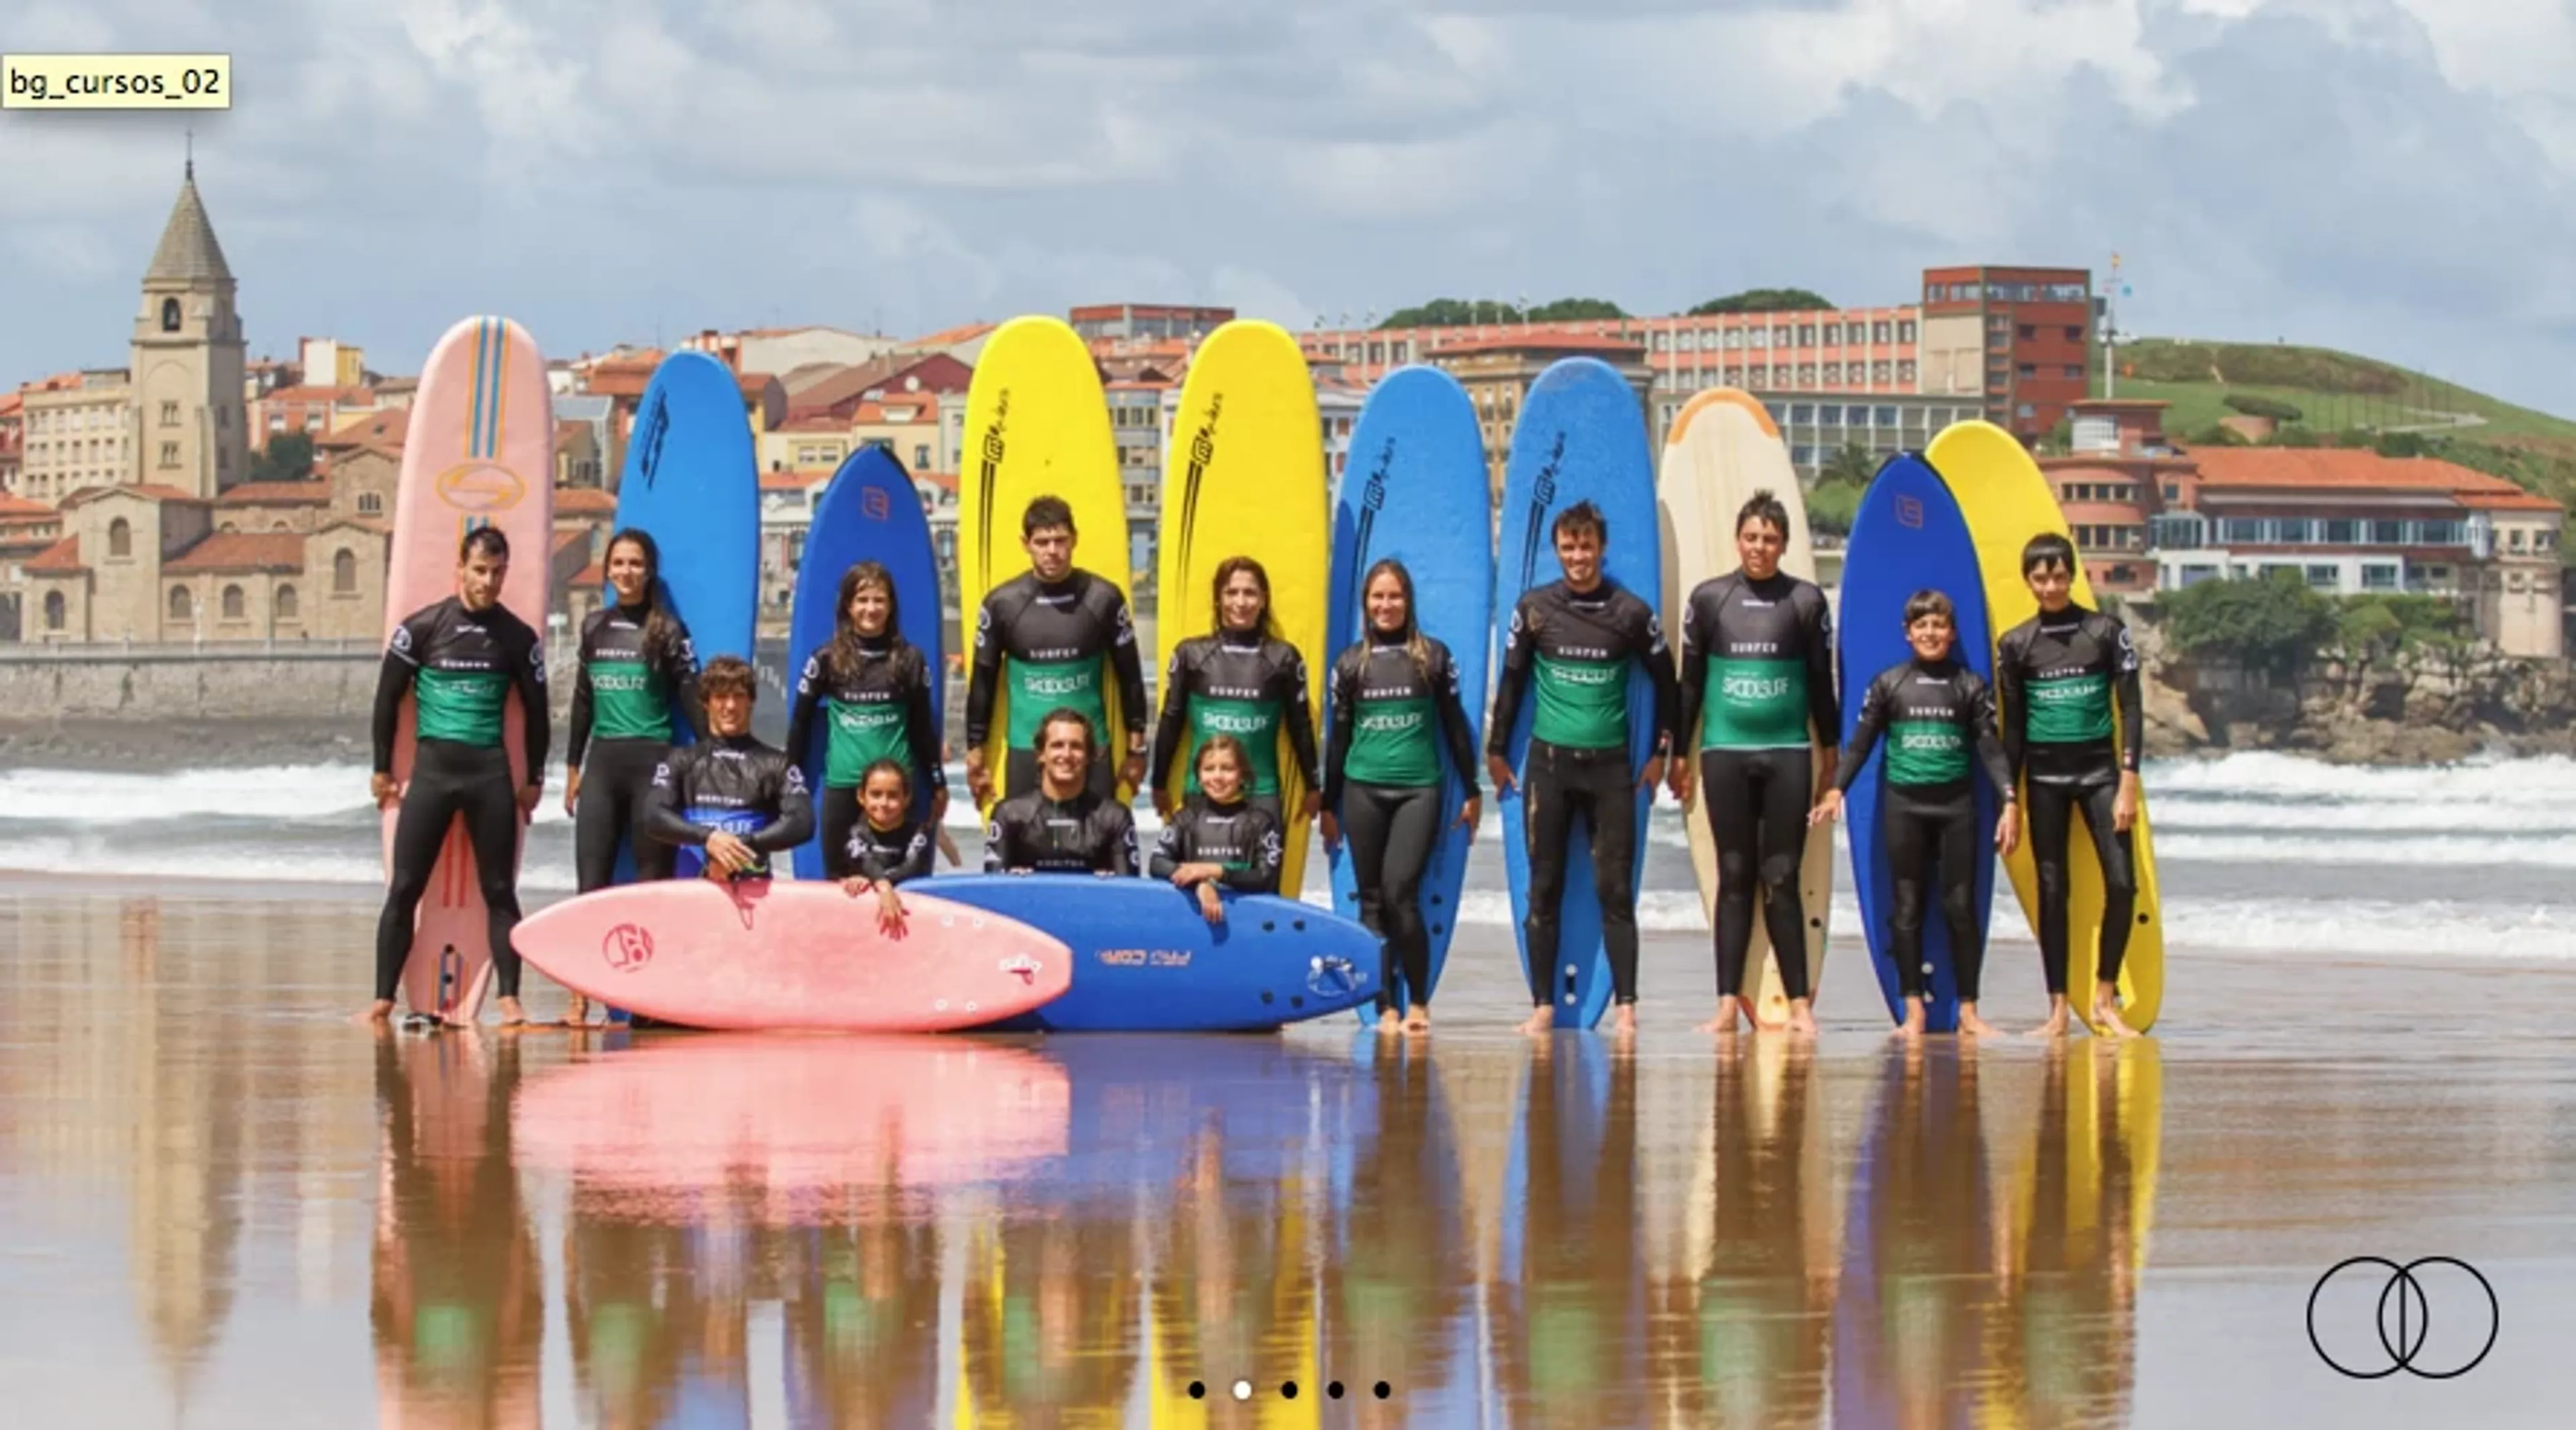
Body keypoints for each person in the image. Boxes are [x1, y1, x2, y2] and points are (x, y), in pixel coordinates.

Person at [1485, 501, 1678, 1037]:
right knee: (1543, 888)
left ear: (1602, 547)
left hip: (1611, 770)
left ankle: (1628, 1008)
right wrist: (1496, 751)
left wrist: (1662, 752)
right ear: (1557, 549)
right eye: (1568, 546)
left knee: (1614, 890)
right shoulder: (1536, 609)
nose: (1577, 556)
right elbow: (1512, 683)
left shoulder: (1630, 613)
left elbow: (1668, 684)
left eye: (1586, 545)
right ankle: (1543, 1005)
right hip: (1549, 767)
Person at [1812, 591, 2020, 1038]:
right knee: (1906, 907)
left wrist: (2010, 800)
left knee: (1961, 907)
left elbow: (1990, 747)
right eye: (1922, 626)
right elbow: (1861, 743)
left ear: (1953, 632)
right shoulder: (1889, 684)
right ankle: (1914, 1012)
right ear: (1908, 633)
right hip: (1904, 807)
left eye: (1939, 625)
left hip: (1957, 809)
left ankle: (1969, 1010)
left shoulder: (1970, 685)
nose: (1930, 633)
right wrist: (1835, 791)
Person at [1671, 489, 1839, 1039]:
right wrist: (1678, 753)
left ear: (1784, 544)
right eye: (1751, 537)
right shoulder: (1711, 599)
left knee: (1782, 877)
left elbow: (1820, 683)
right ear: (1738, 540)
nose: (1760, 547)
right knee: (1735, 877)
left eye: (1769, 538)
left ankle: (1800, 1006)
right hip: (1724, 752)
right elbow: (1690, 682)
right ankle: (1725, 1006)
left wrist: (1831, 754)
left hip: (1789, 752)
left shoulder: (1806, 601)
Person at [370, 526, 549, 1027]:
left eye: (497, 573)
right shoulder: (422, 628)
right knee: (405, 887)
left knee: (498, 888)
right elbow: (387, 699)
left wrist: (534, 776)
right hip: (431, 773)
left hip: (489, 773)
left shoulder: (517, 637)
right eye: (479, 571)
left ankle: (509, 998)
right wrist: (381, 767)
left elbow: (537, 712)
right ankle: (383, 998)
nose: (488, 582)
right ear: (460, 568)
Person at [1320, 558, 1481, 1034]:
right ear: (1365, 603)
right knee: (1371, 900)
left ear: (1407, 601)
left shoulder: (1431, 656)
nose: (1386, 605)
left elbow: (1455, 727)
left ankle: (1420, 1003)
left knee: (1400, 894)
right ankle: (1384, 1006)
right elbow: (1339, 740)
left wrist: (1472, 790)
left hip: (1418, 790)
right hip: (1362, 790)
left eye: (1394, 596)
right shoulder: (1350, 663)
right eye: (1377, 597)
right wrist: (1328, 804)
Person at [1994, 533, 2145, 1039]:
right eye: (2041, 577)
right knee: (2053, 891)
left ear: (2071, 574)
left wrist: (2128, 779)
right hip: (2044, 778)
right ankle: (2057, 1009)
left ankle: (2105, 996)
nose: (2051, 585)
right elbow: (2012, 729)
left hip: (2101, 773)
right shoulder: (2017, 644)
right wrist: (2009, 799)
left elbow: (2132, 708)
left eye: (2059, 575)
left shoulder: (2105, 631)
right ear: (2029, 581)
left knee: (2123, 882)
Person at [561, 527, 702, 1025]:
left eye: (636, 564)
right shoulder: (595, 627)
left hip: (654, 763)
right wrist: (573, 765)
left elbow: (691, 697)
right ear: (607, 572)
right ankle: (580, 992)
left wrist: (709, 758)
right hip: (603, 764)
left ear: (650, 571)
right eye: (618, 564)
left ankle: (644, 994)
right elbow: (583, 700)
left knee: (650, 885)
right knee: (591, 883)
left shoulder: (668, 631)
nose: (627, 572)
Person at [964, 495, 1150, 810]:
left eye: (1060, 541)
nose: (1052, 551)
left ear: (1074, 540)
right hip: (1027, 751)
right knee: (1024, 855)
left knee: (1096, 850)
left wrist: (1136, 752)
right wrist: (975, 753)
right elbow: (982, 681)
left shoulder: (1103, 598)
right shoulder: (1002, 603)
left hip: (1091, 752)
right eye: (1042, 542)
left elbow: (1129, 675)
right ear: (1026, 544)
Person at [786, 561, 946, 878]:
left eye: (879, 600)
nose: (871, 609)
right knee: (840, 883)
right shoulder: (827, 659)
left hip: (896, 790)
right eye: (862, 600)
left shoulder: (909, 659)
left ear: (890, 607)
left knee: (901, 885)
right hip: (844, 787)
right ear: (848, 605)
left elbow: (922, 728)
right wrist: (788, 780)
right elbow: (801, 724)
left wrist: (938, 782)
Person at [1149, 556, 1320, 827]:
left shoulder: (1284, 657)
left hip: (1261, 794)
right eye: (1231, 592)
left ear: (1264, 599)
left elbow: (1300, 726)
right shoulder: (1191, 654)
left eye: (1250, 593)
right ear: (1218, 598)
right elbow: (1171, 721)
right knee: (1198, 871)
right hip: (1202, 792)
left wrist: (1313, 786)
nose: (1240, 602)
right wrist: (1158, 783)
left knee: (1259, 872)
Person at [641, 655, 814, 884]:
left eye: (739, 696)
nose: (731, 706)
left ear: (751, 701)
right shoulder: (681, 760)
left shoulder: (777, 763)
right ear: (706, 703)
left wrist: (741, 846)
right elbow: (652, 816)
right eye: (721, 697)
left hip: (754, 895)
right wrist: (708, 838)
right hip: (693, 894)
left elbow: (803, 822)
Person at [982, 708, 1140, 876]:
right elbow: (993, 886)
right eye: (1057, 745)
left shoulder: (1114, 817)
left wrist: (1107, 886)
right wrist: (1017, 883)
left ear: (1089, 756)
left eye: (1076, 746)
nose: (1066, 754)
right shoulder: (1009, 815)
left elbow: (1130, 891)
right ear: (1041, 754)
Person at [1151, 735, 1285, 924]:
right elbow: (1157, 863)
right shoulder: (1185, 818)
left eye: (1227, 769)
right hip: (1195, 918)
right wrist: (1200, 883)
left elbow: (1266, 877)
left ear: (1242, 774)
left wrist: (1215, 871)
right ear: (1198, 776)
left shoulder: (1261, 822)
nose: (1217, 777)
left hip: (1247, 921)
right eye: (1209, 769)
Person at [840, 758, 937, 935]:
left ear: (906, 799)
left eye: (893, 795)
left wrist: (875, 882)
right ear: (861, 796)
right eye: (876, 794)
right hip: (861, 924)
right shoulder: (855, 833)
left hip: (909, 917)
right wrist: (880, 884)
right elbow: (862, 861)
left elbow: (911, 869)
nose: (884, 803)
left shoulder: (919, 833)